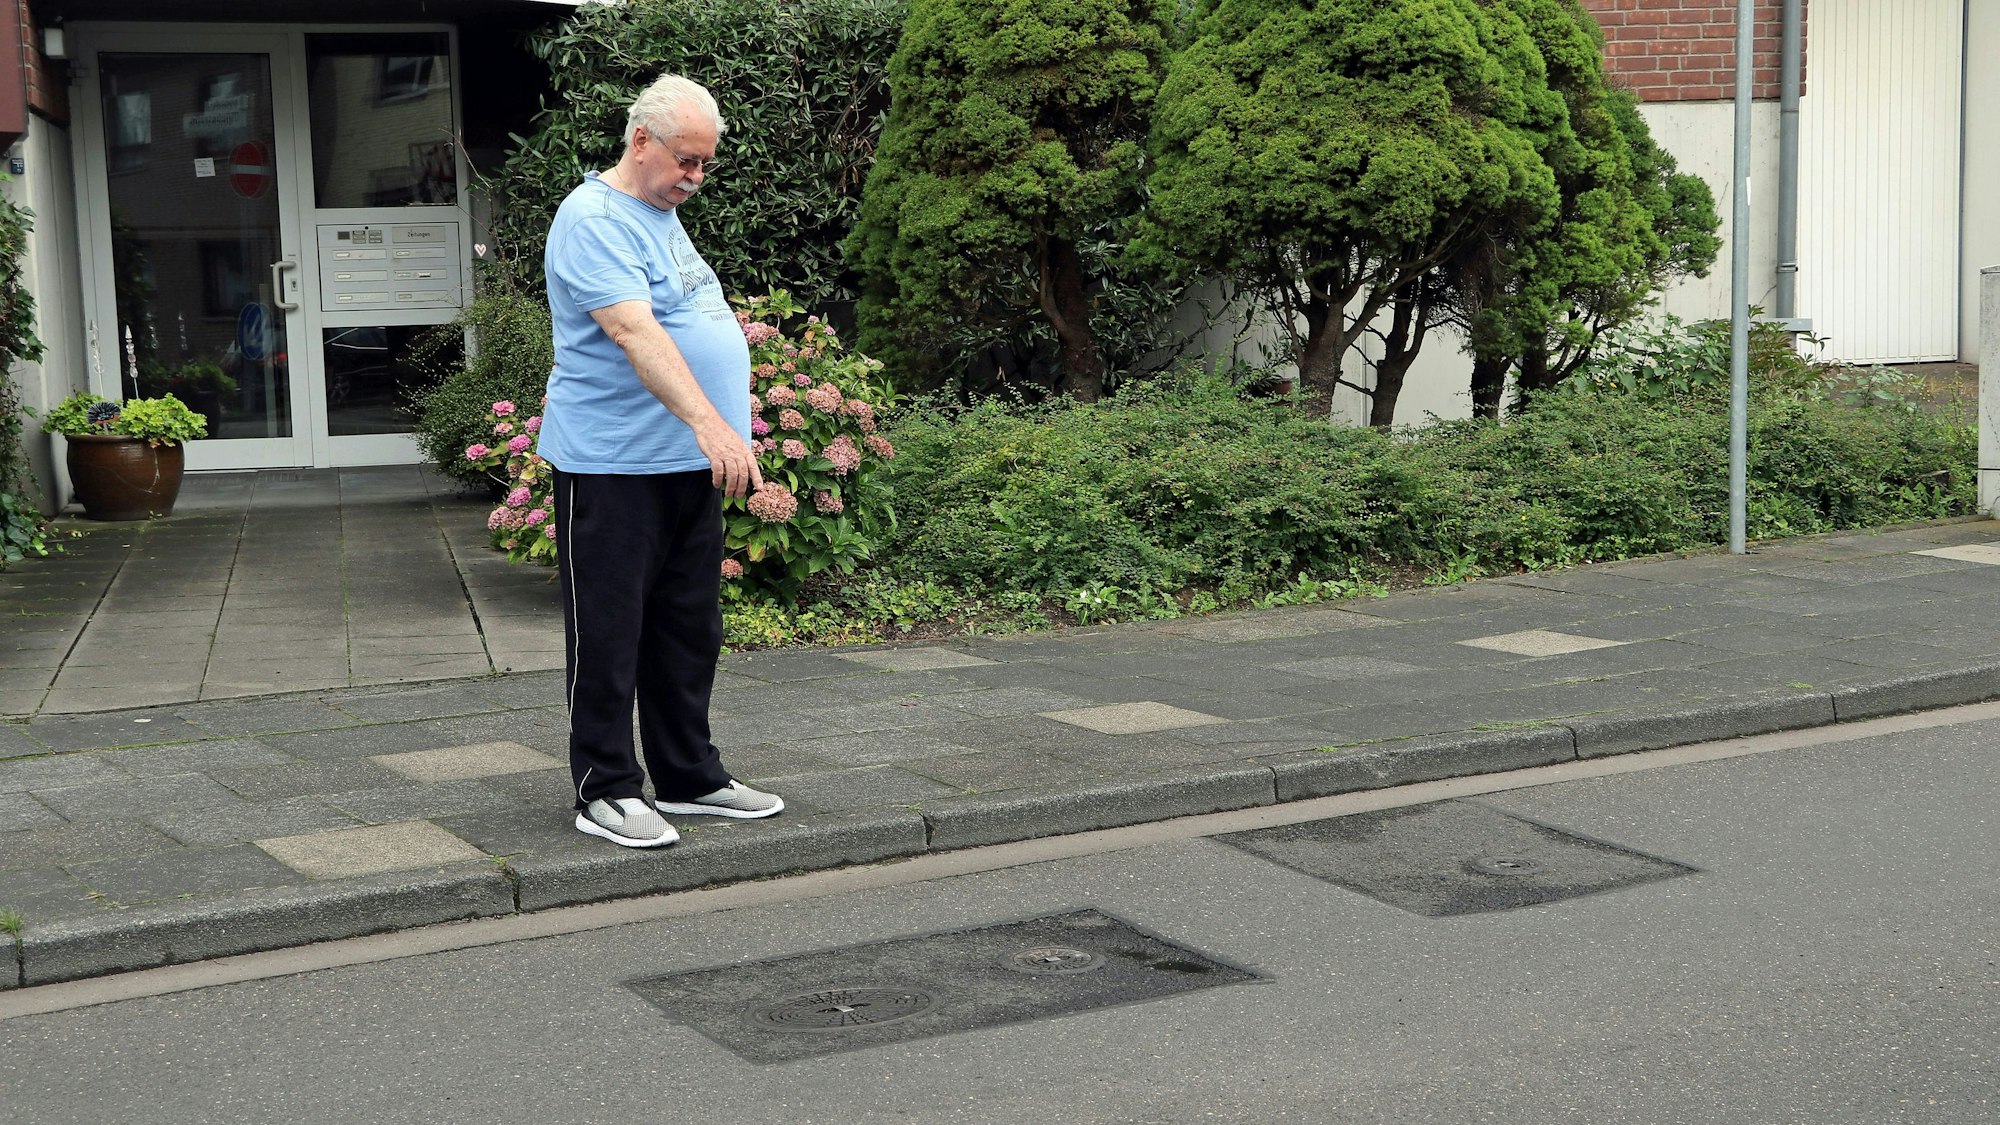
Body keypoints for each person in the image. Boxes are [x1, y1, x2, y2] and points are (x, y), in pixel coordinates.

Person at [540, 74, 783, 847]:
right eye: (686, 160)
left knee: (687, 626)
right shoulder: (593, 217)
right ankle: (604, 787)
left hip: (683, 463)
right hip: (612, 465)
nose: (695, 178)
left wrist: (714, 429)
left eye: (706, 165)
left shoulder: (657, 212)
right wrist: (715, 425)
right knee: (610, 632)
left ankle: (688, 776)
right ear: (639, 141)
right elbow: (634, 333)